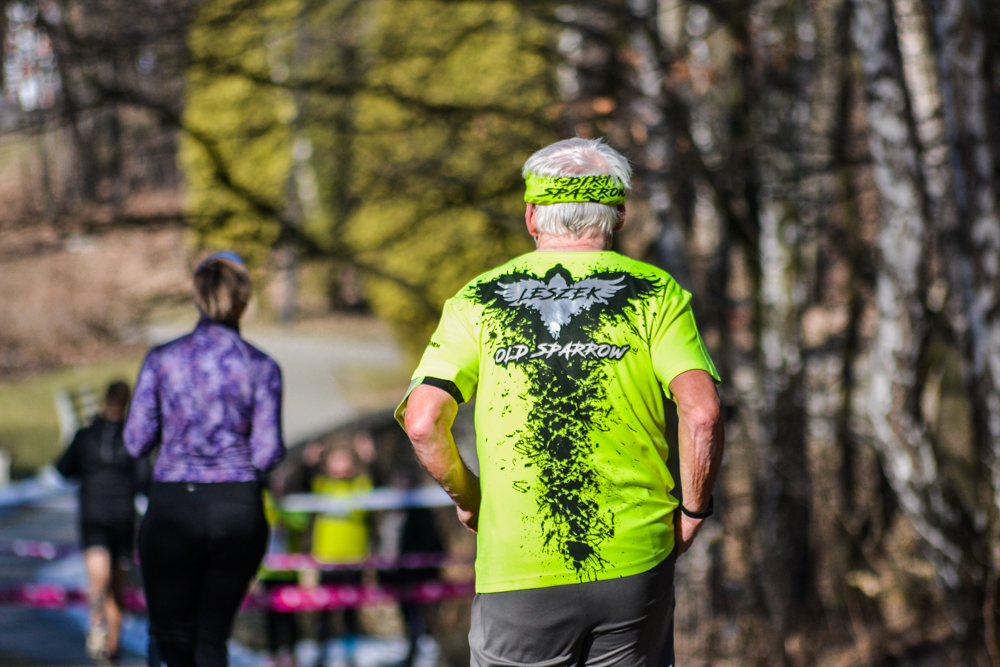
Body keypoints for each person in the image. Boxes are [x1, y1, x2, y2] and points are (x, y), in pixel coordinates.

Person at [396, 138, 725, 667]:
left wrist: (468, 497)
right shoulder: (654, 294)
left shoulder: (477, 300)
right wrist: (693, 508)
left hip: (518, 562)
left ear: (531, 216)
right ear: (617, 215)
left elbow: (422, 420)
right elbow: (702, 412)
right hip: (636, 556)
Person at [124, 251, 285, 667]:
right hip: (237, 508)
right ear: (243, 301)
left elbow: (136, 441)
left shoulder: (162, 360)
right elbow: (267, 454)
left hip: (175, 505)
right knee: (213, 638)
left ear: (196, 297)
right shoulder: (262, 366)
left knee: (170, 635)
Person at [56, 380, 151, 664]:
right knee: (117, 589)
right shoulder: (133, 440)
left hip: (93, 516)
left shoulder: (85, 436)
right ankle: (113, 647)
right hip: (122, 518)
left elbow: (63, 469)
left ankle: (97, 625)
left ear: (103, 401)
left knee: (98, 580)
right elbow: (145, 480)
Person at [309, 445, 372, 667]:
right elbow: (302, 483)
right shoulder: (321, 485)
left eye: (344, 459)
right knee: (324, 612)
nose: (341, 465)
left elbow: (379, 487)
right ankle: (321, 653)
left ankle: (350, 654)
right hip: (327, 559)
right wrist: (311, 463)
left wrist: (370, 461)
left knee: (350, 612)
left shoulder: (360, 485)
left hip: (353, 558)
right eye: (336, 460)